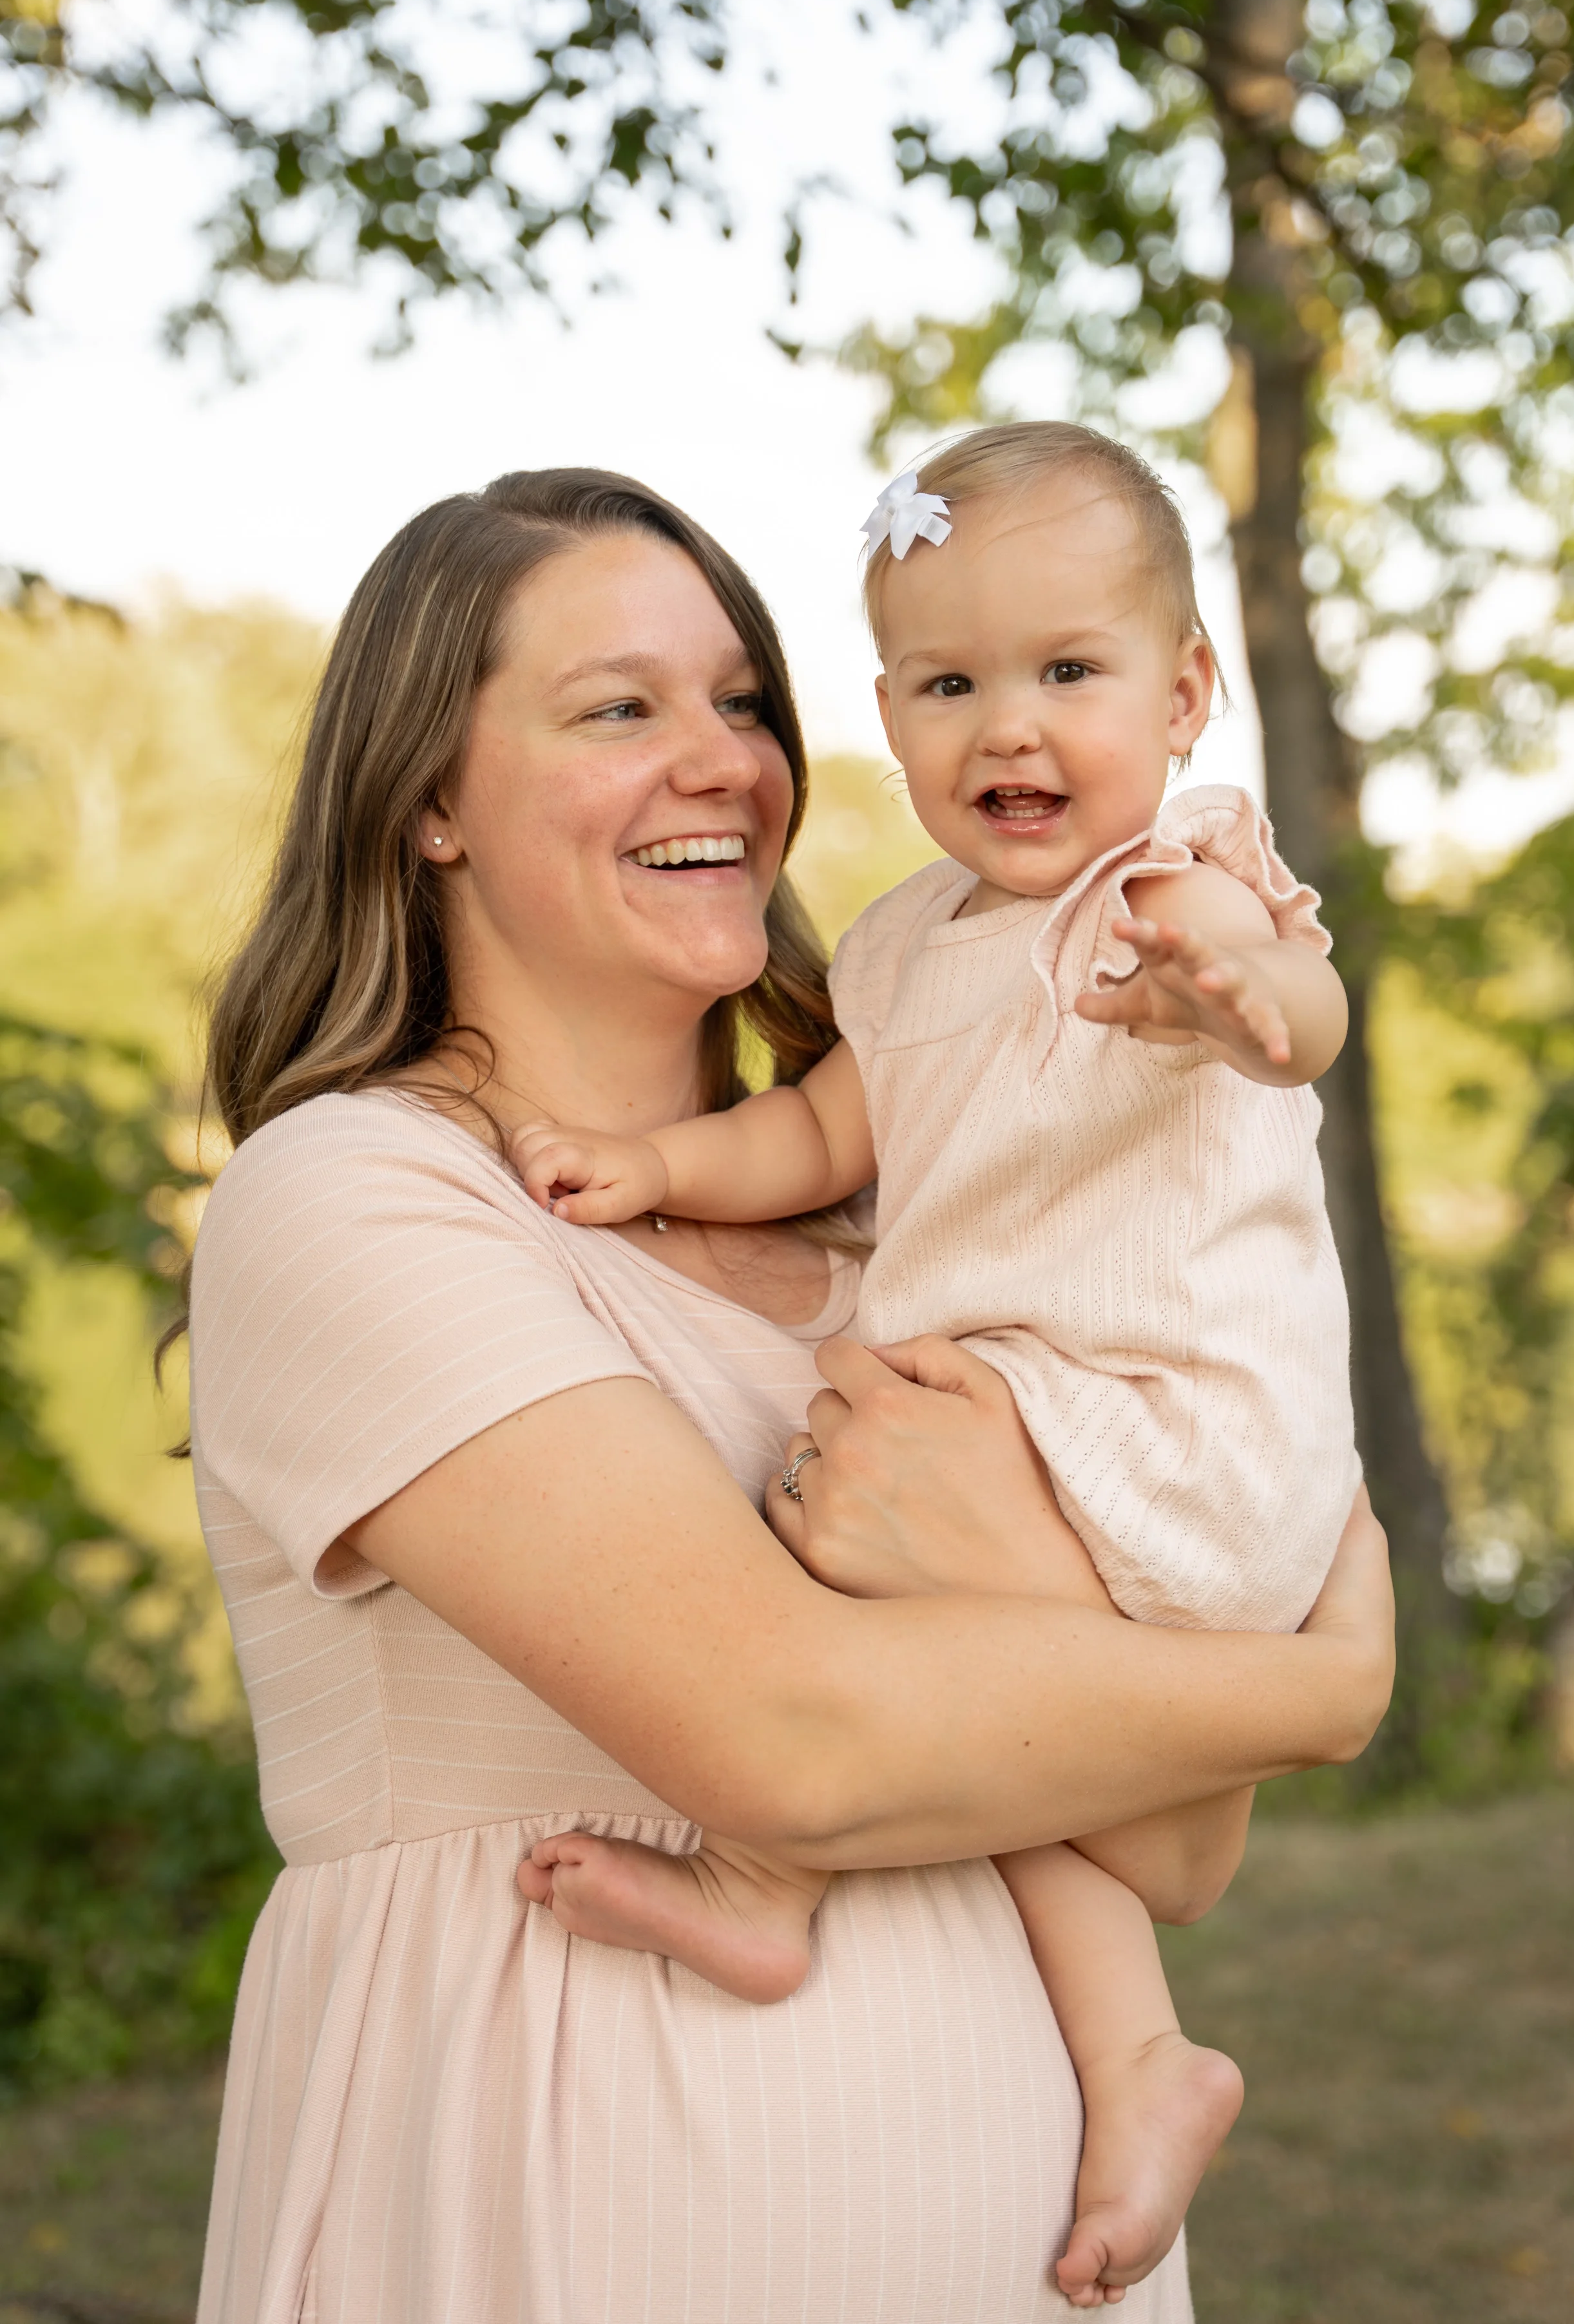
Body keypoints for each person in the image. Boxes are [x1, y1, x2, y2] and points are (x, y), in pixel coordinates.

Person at [187, 465, 1394, 2324]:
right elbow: (786, 1741)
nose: (724, 761)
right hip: (543, 2230)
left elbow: (1171, 1837)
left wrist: (1105, 1627)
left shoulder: (924, 1241)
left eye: (742, 699)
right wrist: (1326, 1683)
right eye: (620, 706)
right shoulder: (356, 1195)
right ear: (427, 795)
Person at [510, 425, 1363, 2307]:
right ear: (886, 716)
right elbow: (823, 1135)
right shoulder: (903, 948)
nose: (1009, 728)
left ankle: (766, 1883)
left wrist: (1238, 1006)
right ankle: (1139, 2055)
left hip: (1161, 1431)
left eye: (1069, 672)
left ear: (1184, 691)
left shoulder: (1161, 882)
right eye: (949, 682)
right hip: (1056, 1450)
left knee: (838, 1527)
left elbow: (1294, 1005)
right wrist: (658, 1166)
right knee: (982, 1703)